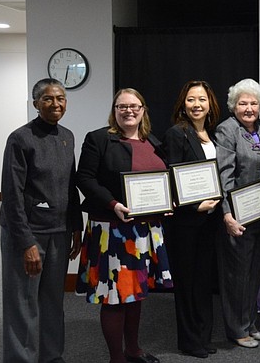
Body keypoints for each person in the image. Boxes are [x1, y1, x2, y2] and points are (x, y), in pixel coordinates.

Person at [76, 88, 173, 363]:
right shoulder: (99, 139)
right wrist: (113, 204)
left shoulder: (152, 141)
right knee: (114, 296)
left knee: (135, 293)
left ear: (143, 110)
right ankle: (116, 357)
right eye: (122, 106)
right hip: (112, 231)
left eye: (134, 106)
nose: (128, 111)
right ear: (114, 110)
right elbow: (84, 178)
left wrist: (166, 204)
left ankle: (133, 349)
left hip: (144, 231)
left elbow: (163, 179)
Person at [0, 78, 83, 363]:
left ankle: (52, 357)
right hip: (28, 233)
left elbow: (70, 186)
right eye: (48, 99)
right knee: (22, 302)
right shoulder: (21, 138)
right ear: (36, 104)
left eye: (60, 98)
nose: (56, 104)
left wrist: (76, 227)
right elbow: (12, 195)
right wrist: (26, 243)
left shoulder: (67, 136)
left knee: (52, 301)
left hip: (59, 231)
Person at [215, 78, 260, 349]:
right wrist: (227, 214)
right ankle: (237, 329)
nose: (249, 108)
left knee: (255, 272)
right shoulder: (226, 130)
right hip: (239, 214)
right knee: (237, 274)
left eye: (254, 103)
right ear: (233, 106)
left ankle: (250, 322)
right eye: (243, 103)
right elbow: (224, 175)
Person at [162, 81, 222, 359]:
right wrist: (194, 205)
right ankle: (189, 340)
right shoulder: (177, 134)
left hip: (210, 221)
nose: (196, 104)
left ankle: (203, 336)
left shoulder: (213, 136)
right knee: (186, 283)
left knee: (203, 282)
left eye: (201, 99)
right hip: (186, 222)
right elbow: (172, 177)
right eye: (190, 100)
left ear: (210, 103)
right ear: (182, 105)